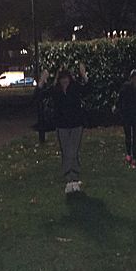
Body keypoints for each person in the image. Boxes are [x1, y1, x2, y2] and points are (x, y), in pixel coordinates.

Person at [37, 63, 90, 194]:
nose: (64, 81)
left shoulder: (75, 87)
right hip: (62, 126)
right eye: (62, 78)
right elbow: (40, 95)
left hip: (76, 124)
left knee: (73, 150)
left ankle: (75, 178)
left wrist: (84, 75)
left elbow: (88, 89)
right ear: (59, 79)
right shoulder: (56, 90)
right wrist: (42, 81)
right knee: (66, 151)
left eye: (66, 78)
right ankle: (69, 179)